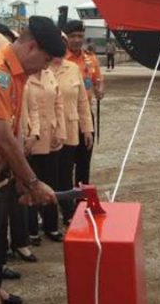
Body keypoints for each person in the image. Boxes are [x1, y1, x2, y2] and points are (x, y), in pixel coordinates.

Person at [0, 16, 64, 296]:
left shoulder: (16, 73)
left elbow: (14, 127)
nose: (44, 68)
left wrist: (18, 175)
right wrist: (33, 182)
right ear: (31, 47)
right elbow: (2, 136)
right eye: (45, 61)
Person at [50, 33, 94, 225]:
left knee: (66, 174)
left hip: (70, 129)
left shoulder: (74, 68)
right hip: (48, 132)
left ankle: (68, 213)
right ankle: (49, 216)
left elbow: (82, 102)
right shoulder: (41, 69)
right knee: (50, 174)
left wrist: (87, 129)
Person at [24, 64, 67, 245]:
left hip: (50, 139)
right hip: (31, 141)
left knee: (51, 183)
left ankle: (51, 226)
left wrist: (61, 131)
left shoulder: (50, 75)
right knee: (31, 185)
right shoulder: (24, 76)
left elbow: (59, 105)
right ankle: (32, 230)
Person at [63, 20, 100, 186]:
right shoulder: (59, 59)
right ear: (66, 37)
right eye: (73, 36)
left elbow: (97, 81)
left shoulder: (91, 59)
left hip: (85, 115)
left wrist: (100, 90)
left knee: (84, 160)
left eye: (80, 36)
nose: (77, 40)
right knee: (66, 160)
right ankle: (65, 198)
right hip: (66, 115)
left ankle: (82, 198)